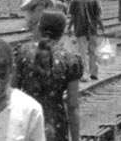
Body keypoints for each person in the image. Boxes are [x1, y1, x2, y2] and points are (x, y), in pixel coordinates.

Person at [13, 10, 83, 141]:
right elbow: (73, 106)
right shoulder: (70, 59)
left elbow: (12, 94)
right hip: (56, 126)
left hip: (25, 124)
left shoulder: (22, 54)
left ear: (39, 28)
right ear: (62, 32)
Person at [68, 0, 104, 82]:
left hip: (80, 29)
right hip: (92, 29)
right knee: (93, 51)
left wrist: (69, 27)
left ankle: (83, 74)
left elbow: (73, 16)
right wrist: (102, 26)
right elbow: (97, 16)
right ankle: (93, 73)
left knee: (82, 52)